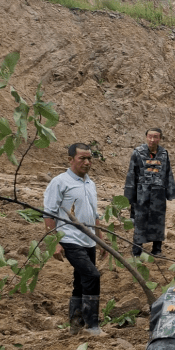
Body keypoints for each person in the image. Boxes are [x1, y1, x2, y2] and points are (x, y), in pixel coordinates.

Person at [43, 143, 108, 336]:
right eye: (82, 158)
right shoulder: (60, 182)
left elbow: (93, 212)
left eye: (89, 158)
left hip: (88, 239)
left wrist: (100, 238)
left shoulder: (90, 183)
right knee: (92, 276)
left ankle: (75, 326)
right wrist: (54, 242)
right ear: (71, 160)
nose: (87, 162)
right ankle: (92, 325)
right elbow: (49, 213)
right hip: (69, 238)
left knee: (80, 281)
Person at [124, 128, 175, 257]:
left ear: (160, 138)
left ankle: (157, 249)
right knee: (140, 220)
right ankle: (137, 250)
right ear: (146, 137)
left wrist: (170, 192)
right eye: (150, 136)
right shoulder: (137, 152)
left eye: (155, 137)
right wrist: (129, 197)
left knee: (158, 221)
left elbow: (167, 173)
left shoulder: (164, 153)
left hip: (159, 194)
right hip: (142, 194)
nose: (152, 140)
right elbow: (131, 174)